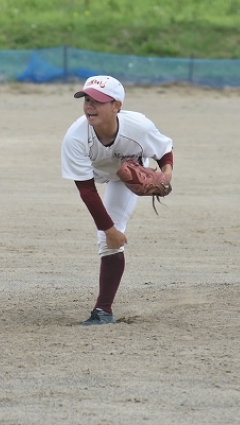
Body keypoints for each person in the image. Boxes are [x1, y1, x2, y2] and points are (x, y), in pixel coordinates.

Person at [61, 76, 174, 325]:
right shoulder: (75, 138)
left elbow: (164, 150)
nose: (90, 106)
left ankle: (103, 311)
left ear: (117, 106)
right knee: (109, 233)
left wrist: (166, 174)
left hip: (125, 176)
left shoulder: (138, 127)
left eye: (99, 101)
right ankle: (104, 309)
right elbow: (87, 191)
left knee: (108, 243)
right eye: (87, 100)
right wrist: (109, 229)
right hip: (95, 173)